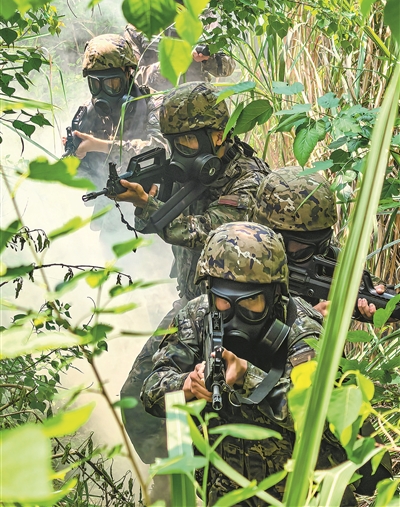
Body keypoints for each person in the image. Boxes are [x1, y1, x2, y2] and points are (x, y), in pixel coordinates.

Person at [141, 222, 358, 507]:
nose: (235, 314)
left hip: (303, 494)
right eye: (224, 301)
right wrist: (187, 385)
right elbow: (151, 391)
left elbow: (325, 420)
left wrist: (250, 379)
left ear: (275, 294)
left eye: (251, 301)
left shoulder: (302, 329)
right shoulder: (197, 317)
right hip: (227, 493)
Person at [118, 81, 271, 467]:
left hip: (240, 313)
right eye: (174, 143)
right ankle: (169, 479)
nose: (180, 151)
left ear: (217, 135)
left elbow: (208, 232)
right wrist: (146, 196)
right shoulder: (195, 172)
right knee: (137, 400)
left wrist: (148, 203)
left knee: (224, 415)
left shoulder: (249, 180)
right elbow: (155, 224)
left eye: (186, 141)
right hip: (192, 306)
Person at [251, 166, 389, 320]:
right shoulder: (238, 256)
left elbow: (368, 286)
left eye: (322, 245)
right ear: (273, 239)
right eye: (303, 250)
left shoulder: (320, 249)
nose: (316, 258)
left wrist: (377, 299)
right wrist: (303, 320)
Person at [65, 33, 164, 233]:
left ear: (128, 74)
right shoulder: (88, 113)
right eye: (95, 84)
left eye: (112, 84)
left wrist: (100, 146)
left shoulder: (153, 104)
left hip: (150, 207)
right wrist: (76, 155)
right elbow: (82, 175)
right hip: (112, 210)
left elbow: (160, 150)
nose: (103, 92)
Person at [125, 16, 236, 91]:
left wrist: (207, 58)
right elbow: (133, 79)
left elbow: (227, 68)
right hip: (156, 100)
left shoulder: (205, 21)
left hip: (196, 95)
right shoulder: (138, 27)